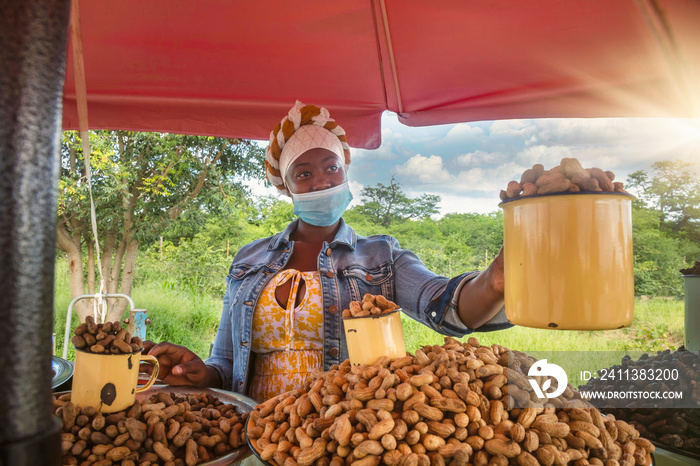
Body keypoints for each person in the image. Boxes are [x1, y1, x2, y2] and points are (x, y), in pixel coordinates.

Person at [145, 101, 510, 401]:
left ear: (345, 172)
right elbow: (225, 365)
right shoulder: (249, 260)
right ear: (286, 186)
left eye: (331, 167)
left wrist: (493, 281)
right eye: (303, 173)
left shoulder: (381, 257)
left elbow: (447, 306)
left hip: (344, 433)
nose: (321, 180)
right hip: (259, 435)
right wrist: (199, 373)